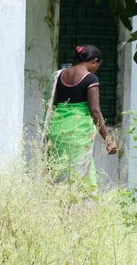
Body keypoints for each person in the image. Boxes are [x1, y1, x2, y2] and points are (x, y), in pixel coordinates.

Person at [44, 44, 118, 184]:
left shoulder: (59, 75)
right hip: (78, 133)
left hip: (57, 130)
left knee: (60, 170)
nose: (97, 68)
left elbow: (52, 104)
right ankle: (74, 203)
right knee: (76, 176)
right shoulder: (91, 79)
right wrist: (108, 139)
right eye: (98, 65)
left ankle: (61, 202)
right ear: (94, 61)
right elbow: (95, 111)